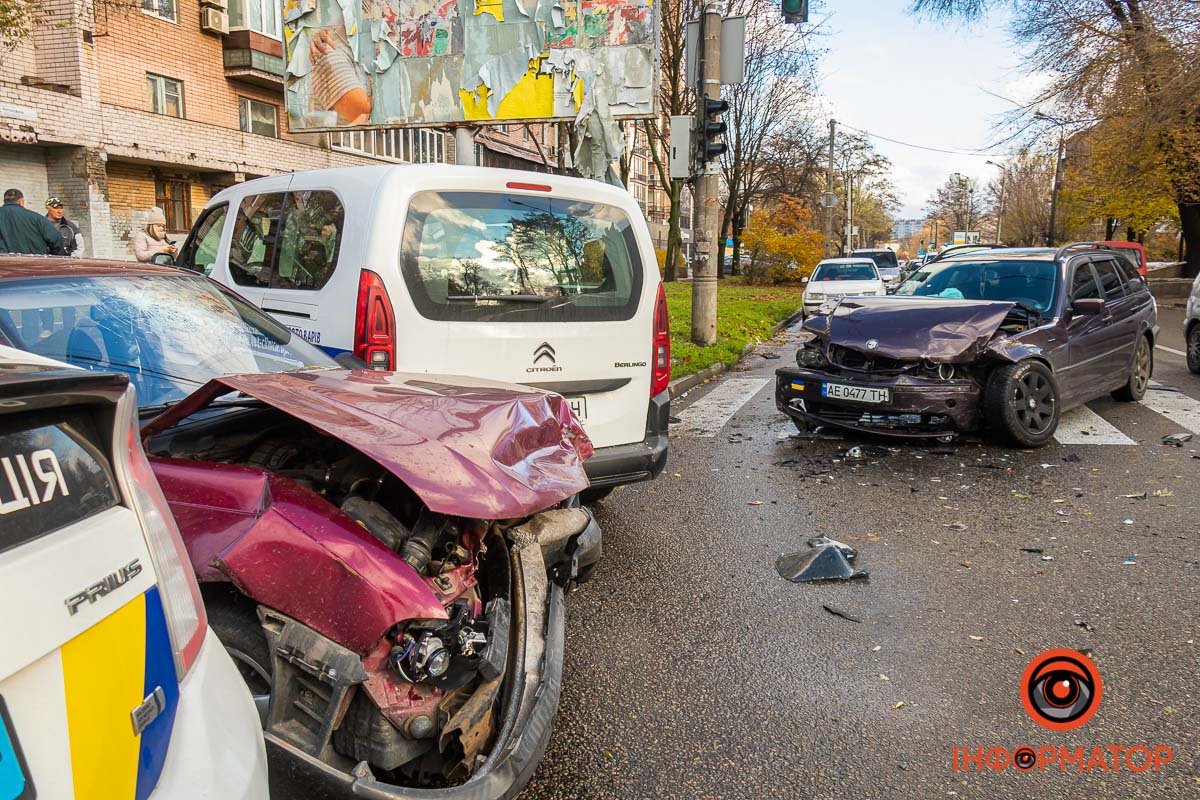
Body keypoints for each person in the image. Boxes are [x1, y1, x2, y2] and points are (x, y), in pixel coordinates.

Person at [0, 188, 67, 256]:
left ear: (4, 201)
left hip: (3, 263)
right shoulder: (37, 218)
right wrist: (56, 258)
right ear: (21, 202)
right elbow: (55, 238)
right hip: (32, 263)